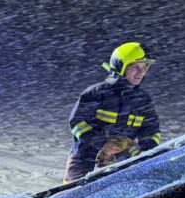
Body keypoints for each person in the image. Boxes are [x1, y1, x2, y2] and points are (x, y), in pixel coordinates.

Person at [64, 42, 162, 182]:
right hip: (84, 159)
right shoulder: (96, 93)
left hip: (123, 161)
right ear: (120, 67)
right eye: (135, 67)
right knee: (73, 191)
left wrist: (146, 154)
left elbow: (151, 132)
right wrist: (102, 143)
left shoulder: (143, 100)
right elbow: (76, 123)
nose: (141, 72)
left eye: (144, 67)